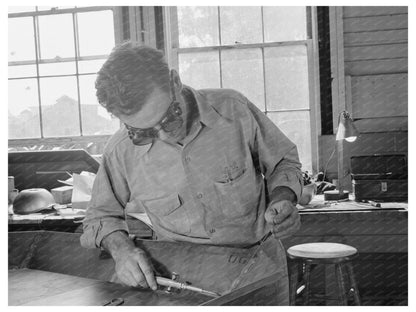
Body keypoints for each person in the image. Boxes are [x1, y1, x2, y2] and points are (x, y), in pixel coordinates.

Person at [80, 41, 302, 301]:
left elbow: (283, 161)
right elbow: (99, 217)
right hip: (180, 279)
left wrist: (283, 198)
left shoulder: (233, 109)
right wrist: (122, 251)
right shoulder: (121, 151)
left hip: (259, 268)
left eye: (168, 118)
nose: (163, 136)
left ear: (175, 81)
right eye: (143, 132)